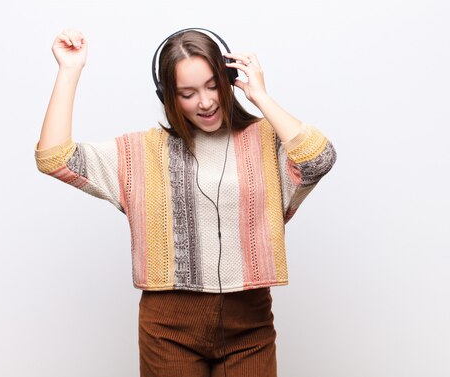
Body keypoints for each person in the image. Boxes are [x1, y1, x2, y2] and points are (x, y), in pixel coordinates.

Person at [35, 28, 336, 377]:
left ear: (230, 80)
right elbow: (54, 158)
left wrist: (261, 98)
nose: (206, 102)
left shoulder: (267, 142)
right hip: (168, 328)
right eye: (188, 93)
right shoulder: (141, 153)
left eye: (212, 86)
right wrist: (69, 70)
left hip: (249, 324)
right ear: (169, 97)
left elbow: (319, 158)